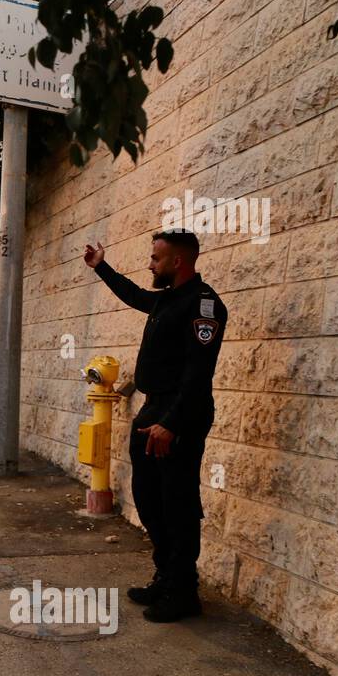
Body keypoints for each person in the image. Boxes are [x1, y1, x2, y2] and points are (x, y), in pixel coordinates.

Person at [84, 229, 227, 623]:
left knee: (177, 504)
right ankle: (166, 577)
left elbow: (198, 374)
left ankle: (184, 592)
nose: (150, 264)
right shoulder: (169, 299)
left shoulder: (204, 306)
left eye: (156, 259)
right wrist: (102, 269)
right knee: (149, 500)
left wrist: (171, 424)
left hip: (178, 416)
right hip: (153, 411)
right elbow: (135, 296)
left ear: (178, 262)